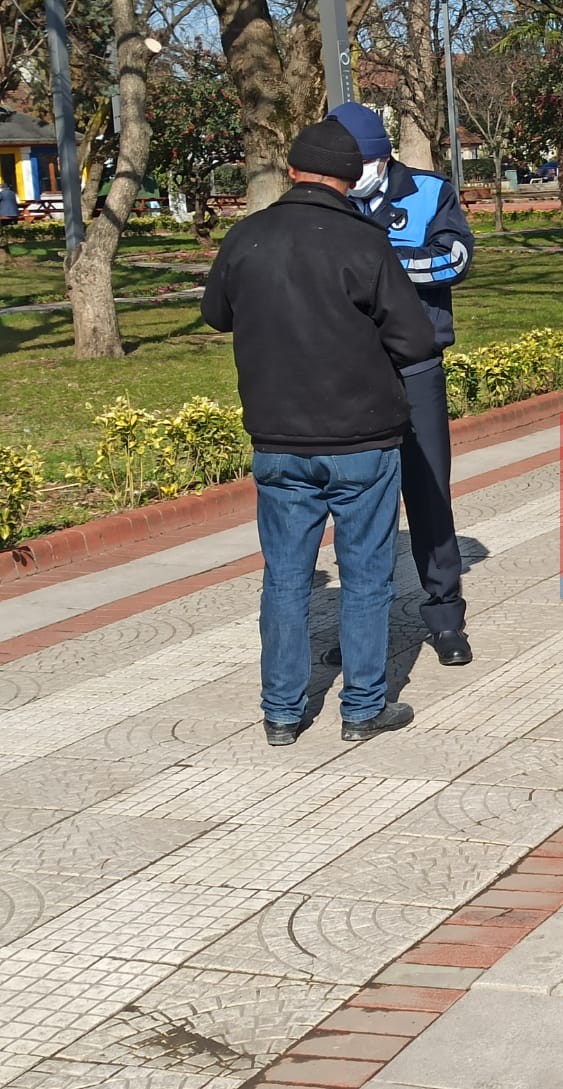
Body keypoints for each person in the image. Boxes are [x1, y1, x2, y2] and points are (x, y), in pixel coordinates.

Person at [202, 118, 437, 745]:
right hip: (362, 439)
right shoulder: (365, 243)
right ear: (352, 178)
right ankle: (362, 709)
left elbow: (216, 314)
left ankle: (281, 712)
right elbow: (415, 340)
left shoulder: (245, 237)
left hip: (278, 440)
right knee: (365, 576)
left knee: (284, 579)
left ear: (292, 170)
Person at [326, 102, 476, 666]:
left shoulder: (429, 192)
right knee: (359, 501)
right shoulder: (327, 196)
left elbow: (455, 259)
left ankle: (445, 617)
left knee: (428, 491)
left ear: (384, 157)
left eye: (362, 164)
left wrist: (380, 262)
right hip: (350, 368)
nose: (353, 175)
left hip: (415, 368)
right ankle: (362, 627)